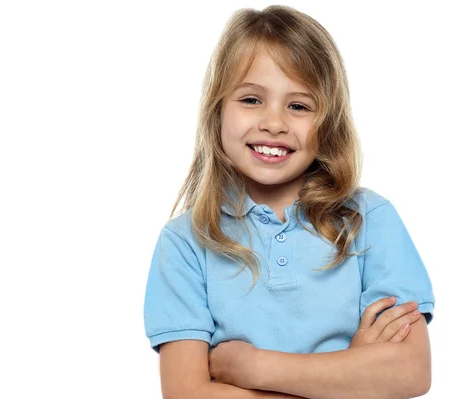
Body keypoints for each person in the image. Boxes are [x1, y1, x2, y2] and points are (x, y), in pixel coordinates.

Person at [143, 5, 435, 399]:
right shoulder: (185, 243)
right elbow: (186, 393)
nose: (274, 123)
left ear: (327, 123)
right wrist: (351, 373)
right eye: (250, 100)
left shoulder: (370, 221)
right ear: (217, 112)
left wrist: (252, 366)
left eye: (299, 106)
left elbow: (410, 373)